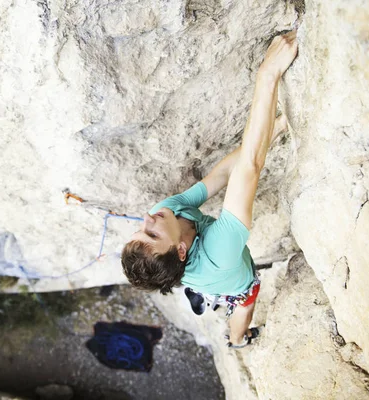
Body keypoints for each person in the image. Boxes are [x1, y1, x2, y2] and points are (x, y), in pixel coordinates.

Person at [121, 30, 298, 348]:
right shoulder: (220, 252)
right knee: (244, 301)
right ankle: (238, 339)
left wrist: (277, 127)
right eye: (152, 234)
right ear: (180, 251)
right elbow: (249, 168)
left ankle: (194, 289)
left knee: (195, 279)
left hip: (193, 272)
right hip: (231, 279)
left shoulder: (165, 212)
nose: (147, 220)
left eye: (139, 230)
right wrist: (268, 74)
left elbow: (219, 176)